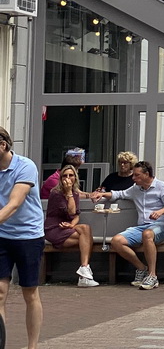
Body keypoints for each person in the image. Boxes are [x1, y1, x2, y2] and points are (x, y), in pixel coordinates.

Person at [91, 161, 164, 291]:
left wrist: (160, 212)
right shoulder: (136, 188)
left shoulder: (161, 186)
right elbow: (118, 194)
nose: (133, 178)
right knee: (116, 241)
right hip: (143, 227)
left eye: (137, 175)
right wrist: (102, 194)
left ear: (146, 174)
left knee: (148, 234)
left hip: (163, 224)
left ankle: (153, 276)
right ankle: (142, 268)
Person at [0, 127, 45, 349]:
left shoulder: (25, 166)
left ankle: (32, 346)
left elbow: (14, 203)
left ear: (2, 145)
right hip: (2, 236)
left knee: (30, 292)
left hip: (28, 236)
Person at [44, 164, 98, 287]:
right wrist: (68, 193)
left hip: (66, 227)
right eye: (65, 175)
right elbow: (71, 211)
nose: (68, 178)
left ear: (75, 177)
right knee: (87, 238)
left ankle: (84, 270)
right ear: (61, 178)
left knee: (86, 229)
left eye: (71, 175)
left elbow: (76, 216)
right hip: (54, 228)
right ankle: (84, 274)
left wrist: (72, 225)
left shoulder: (75, 194)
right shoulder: (56, 193)